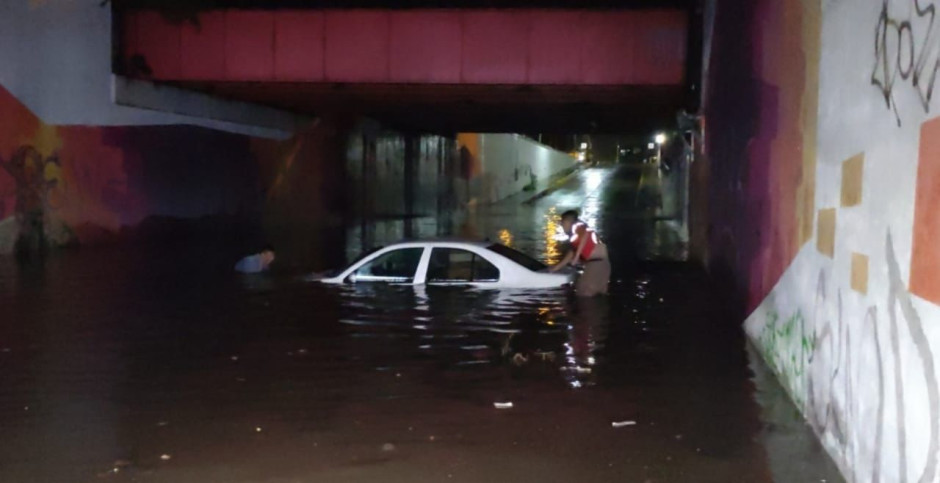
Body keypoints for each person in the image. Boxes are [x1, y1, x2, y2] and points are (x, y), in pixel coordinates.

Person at [549, 210, 610, 296]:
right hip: (601, 265)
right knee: (598, 295)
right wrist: (557, 267)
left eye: (562, 223)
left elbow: (584, 235)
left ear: (567, 221)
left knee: (583, 293)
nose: (561, 226)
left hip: (596, 264)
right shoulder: (576, 234)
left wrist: (577, 257)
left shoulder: (578, 226)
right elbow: (571, 253)